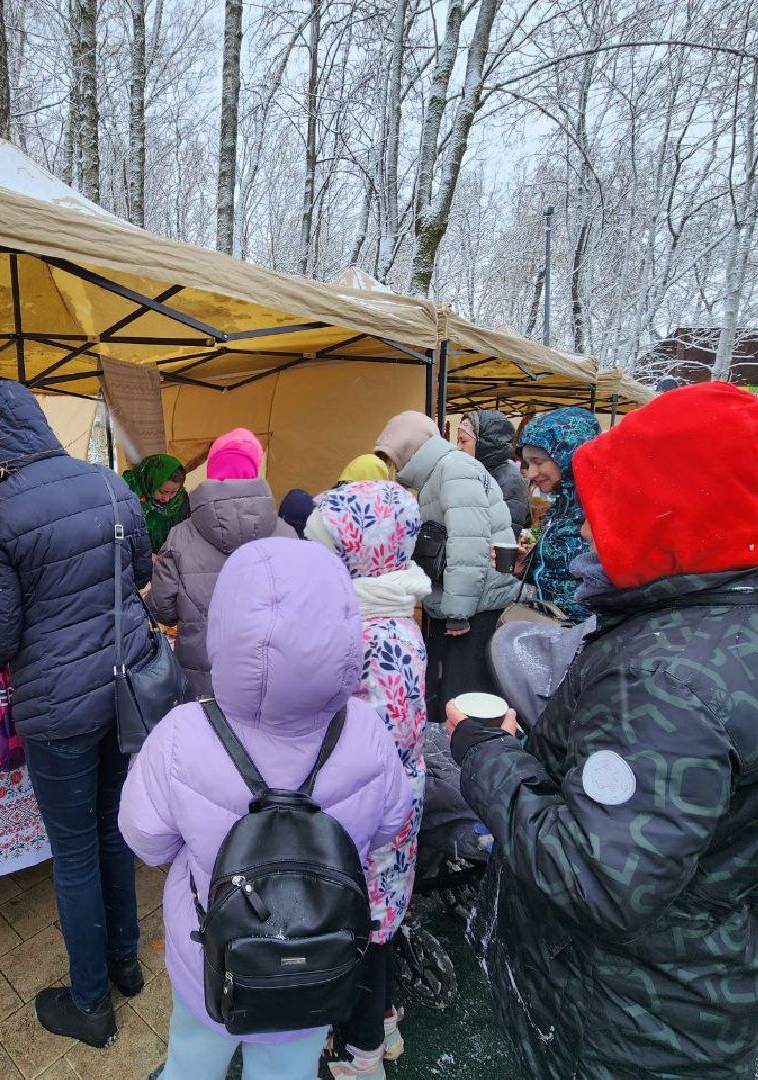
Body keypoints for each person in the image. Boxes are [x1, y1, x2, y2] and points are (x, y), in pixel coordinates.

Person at [448, 381, 758, 1079]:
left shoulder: (663, 680)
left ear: (667, 514)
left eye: (608, 508)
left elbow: (596, 879)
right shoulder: (755, 607)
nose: (588, 528)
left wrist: (487, 754)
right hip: (695, 976)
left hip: (629, 1013)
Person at [121, 539, 411, 1080]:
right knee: (286, 1070)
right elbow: (390, 824)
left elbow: (147, 841)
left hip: (212, 953)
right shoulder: (368, 730)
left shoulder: (183, 734)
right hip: (317, 962)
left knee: (193, 1060)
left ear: (226, 626)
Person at [0, 381, 150, 1048]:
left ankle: (91, 1005)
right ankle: (126, 963)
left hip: (58, 711)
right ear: (35, 421)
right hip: (124, 690)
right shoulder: (109, 484)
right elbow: (140, 572)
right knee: (114, 830)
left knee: (77, 854)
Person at [306, 482, 430, 1078]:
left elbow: (359, 741)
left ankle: (362, 1057)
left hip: (366, 812)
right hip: (392, 804)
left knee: (361, 931)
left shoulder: (366, 633)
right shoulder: (391, 610)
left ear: (361, 553)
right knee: (378, 924)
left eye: (330, 550)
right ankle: (381, 1021)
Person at [374, 410, 514, 719]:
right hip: (461, 604)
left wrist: (457, 613)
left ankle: (464, 760)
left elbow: (469, 543)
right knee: (449, 696)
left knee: (463, 701)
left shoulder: (453, 469)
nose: (393, 466)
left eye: (394, 458)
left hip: (472, 610)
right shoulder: (441, 472)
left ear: (409, 450)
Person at [149, 428, 290, 696]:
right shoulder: (286, 535)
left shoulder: (180, 536)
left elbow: (163, 610)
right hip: (269, 679)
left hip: (202, 682)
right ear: (255, 470)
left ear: (212, 470)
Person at [516, 407, 601, 622]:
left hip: (582, 636)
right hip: (547, 628)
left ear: (567, 455)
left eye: (538, 461)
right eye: (528, 463)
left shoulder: (600, 507)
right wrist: (522, 557)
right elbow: (540, 529)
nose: (532, 473)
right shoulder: (556, 499)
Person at [467, 409, 527, 538]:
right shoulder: (479, 472)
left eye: (464, 441)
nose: (458, 447)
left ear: (483, 443)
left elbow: (507, 533)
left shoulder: (510, 479)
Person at [123, 453, 191, 553]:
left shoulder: (180, 499)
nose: (167, 499)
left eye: (173, 492)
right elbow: (119, 537)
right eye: (162, 492)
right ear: (149, 482)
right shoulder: (127, 497)